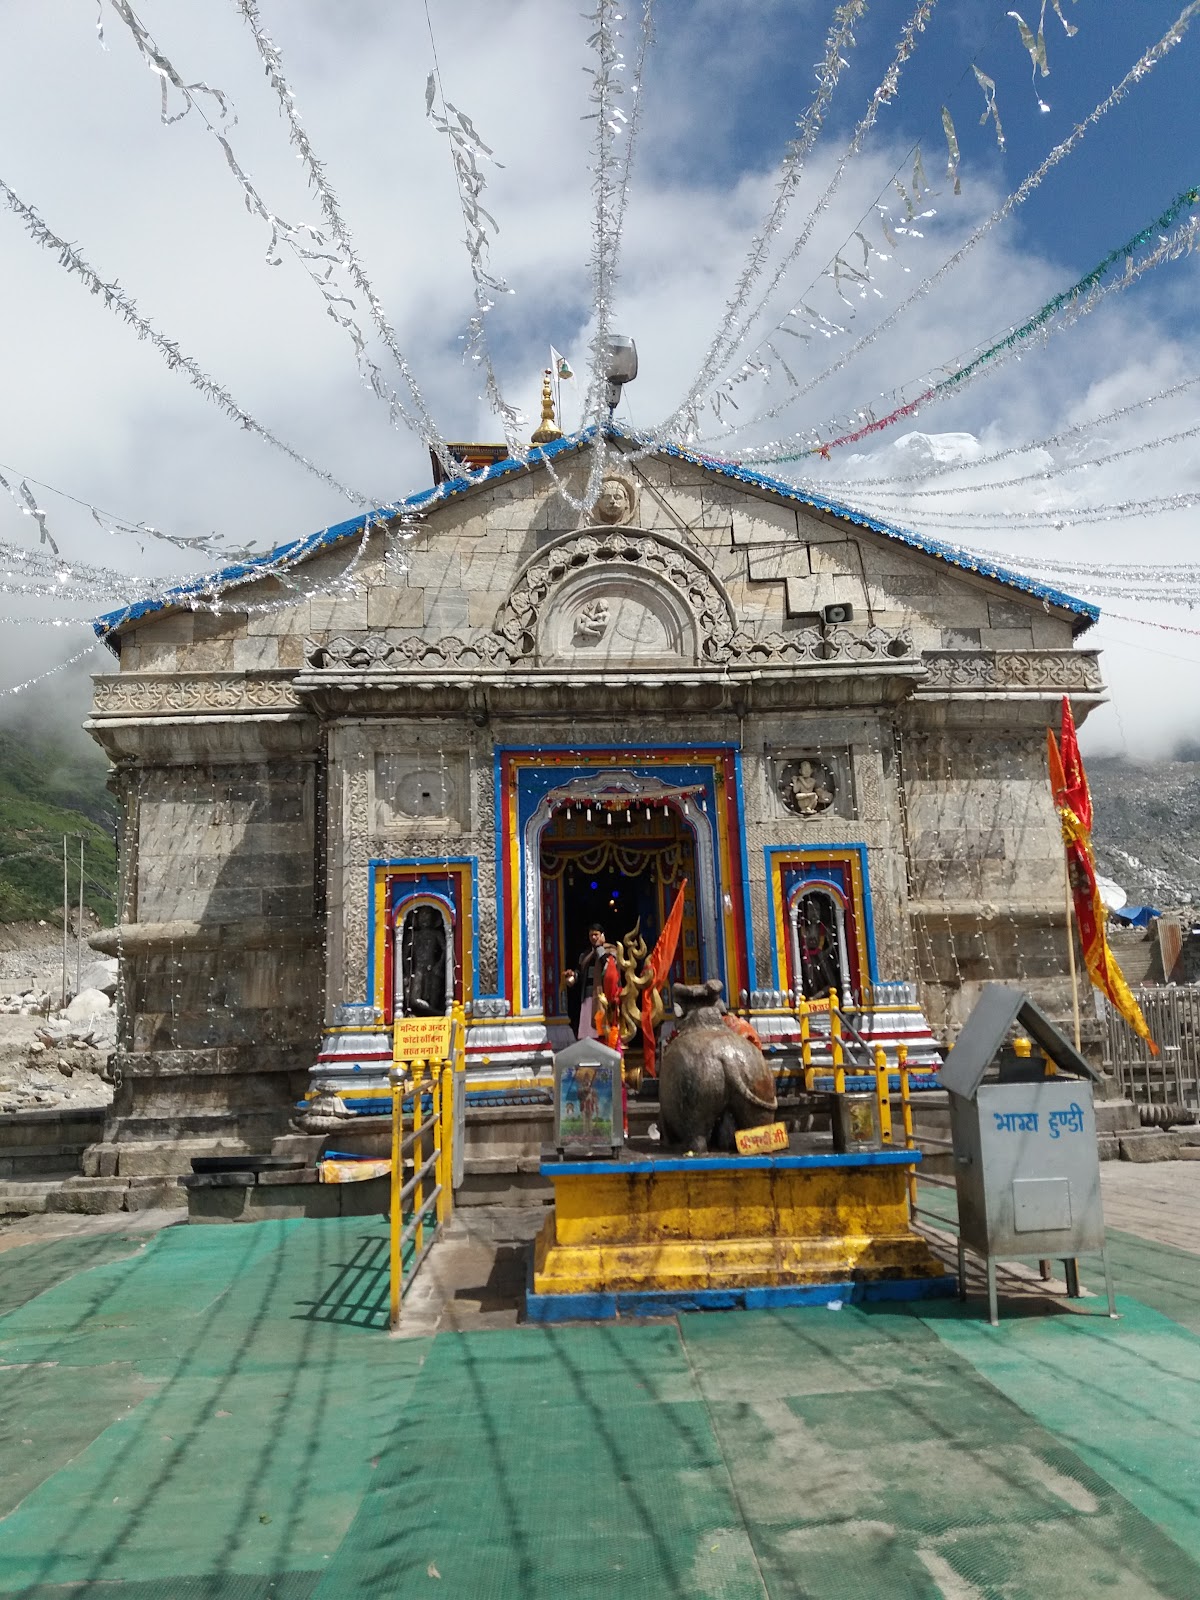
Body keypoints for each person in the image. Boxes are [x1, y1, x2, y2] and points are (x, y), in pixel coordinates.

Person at [564, 923, 612, 1040]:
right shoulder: (585, 955)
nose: (593, 938)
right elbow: (579, 973)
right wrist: (572, 975)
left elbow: (609, 966)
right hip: (587, 996)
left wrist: (600, 948)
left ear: (602, 935)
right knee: (588, 1031)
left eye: (596, 935)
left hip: (603, 997)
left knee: (602, 1029)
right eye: (591, 935)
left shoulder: (610, 951)